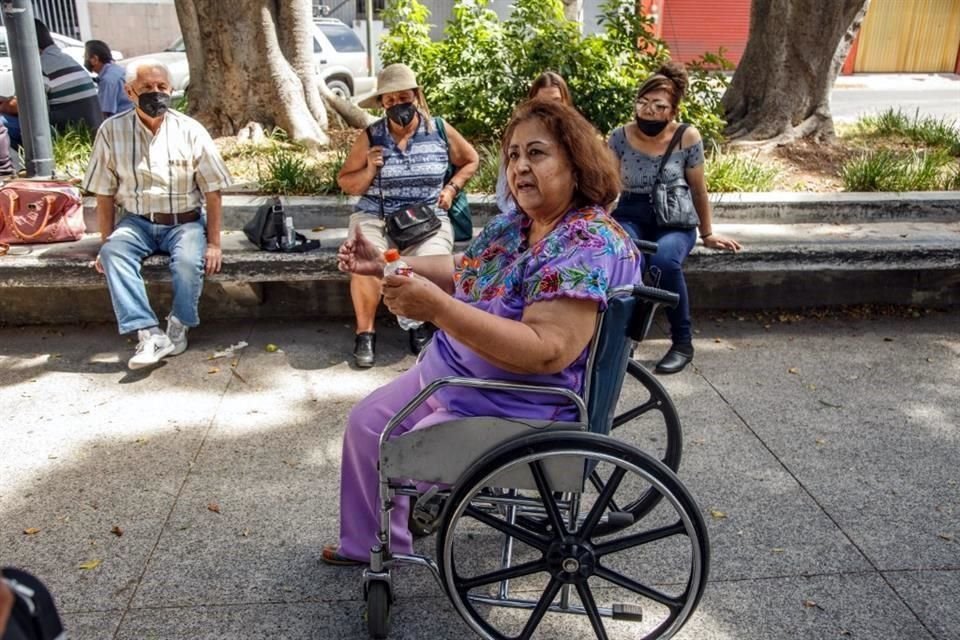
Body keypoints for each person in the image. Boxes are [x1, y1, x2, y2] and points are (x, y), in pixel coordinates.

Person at [323, 99, 641, 565]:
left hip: (511, 397)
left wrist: (439, 311)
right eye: (513, 156)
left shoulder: (584, 243)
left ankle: (399, 529)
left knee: (402, 447)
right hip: (455, 376)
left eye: (537, 153)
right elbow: (466, 270)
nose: (520, 167)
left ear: (576, 162)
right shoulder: (520, 224)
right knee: (366, 423)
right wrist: (389, 262)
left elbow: (547, 350)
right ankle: (371, 545)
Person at [82, 60, 232, 370]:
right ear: (129, 91)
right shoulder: (111, 131)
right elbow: (104, 192)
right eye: (147, 87)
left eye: (161, 87)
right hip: (137, 221)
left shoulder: (190, 131)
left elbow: (213, 191)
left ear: (172, 90)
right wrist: (106, 241)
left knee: (190, 262)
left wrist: (214, 243)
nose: (155, 93)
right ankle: (148, 332)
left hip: (185, 221)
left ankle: (178, 325)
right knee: (113, 253)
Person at [338, 63, 479, 368]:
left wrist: (452, 188)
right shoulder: (372, 135)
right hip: (375, 214)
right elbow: (346, 181)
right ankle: (365, 333)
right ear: (382, 105)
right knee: (367, 256)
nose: (397, 105)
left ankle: (419, 323)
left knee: (431, 256)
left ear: (415, 96)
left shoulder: (439, 129)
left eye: (403, 98)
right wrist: (369, 169)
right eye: (389, 101)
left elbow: (471, 160)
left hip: (426, 216)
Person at [608, 61, 741, 375]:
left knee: (665, 262)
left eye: (659, 106)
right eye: (643, 103)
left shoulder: (687, 136)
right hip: (631, 212)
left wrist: (708, 233)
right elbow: (608, 185)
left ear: (672, 110)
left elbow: (698, 189)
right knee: (627, 256)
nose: (649, 111)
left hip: (675, 219)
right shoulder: (620, 136)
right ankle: (625, 339)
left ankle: (682, 342)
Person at [0, 19, 102, 148]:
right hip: (87, 134)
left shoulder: (40, 65)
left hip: (67, 138)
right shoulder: (66, 59)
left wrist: (4, 105)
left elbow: (24, 108)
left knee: (1, 123)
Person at [495, 71, 573, 214]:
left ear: (566, 102)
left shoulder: (579, 140)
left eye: (556, 102)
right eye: (542, 103)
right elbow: (504, 194)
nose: (549, 110)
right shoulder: (516, 138)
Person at [84, 39, 134, 118]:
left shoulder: (107, 80)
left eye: (85, 57)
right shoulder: (118, 70)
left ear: (95, 59)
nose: (85, 60)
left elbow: (104, 113)